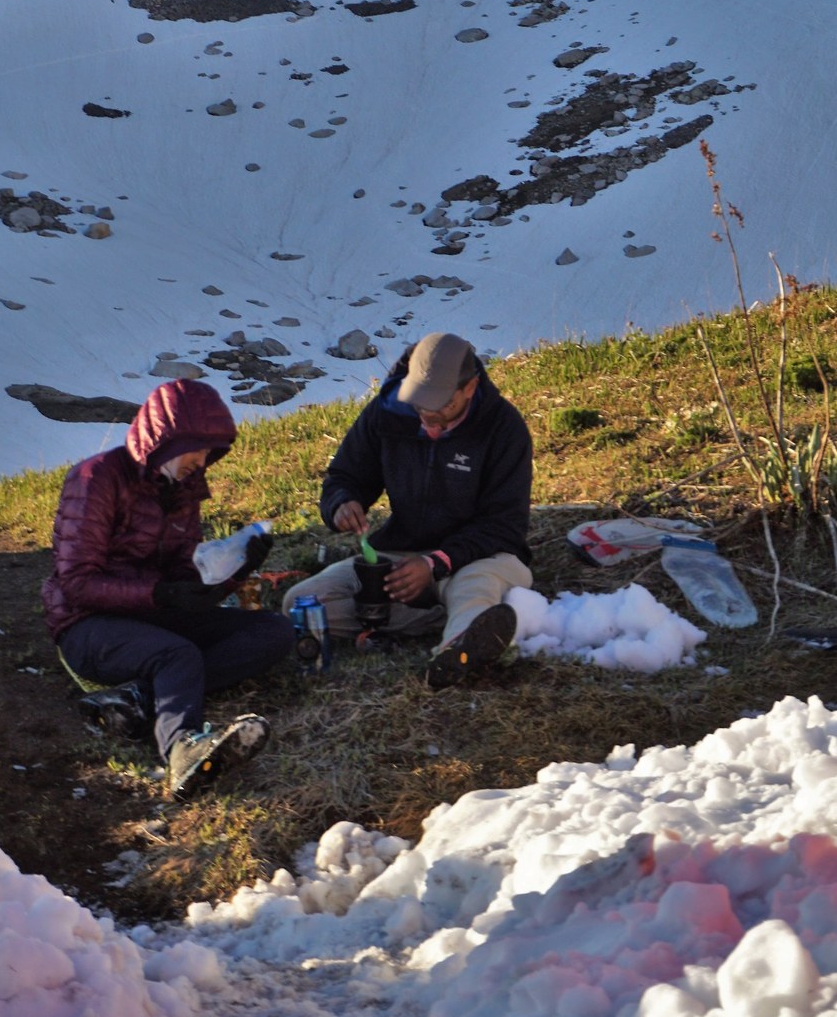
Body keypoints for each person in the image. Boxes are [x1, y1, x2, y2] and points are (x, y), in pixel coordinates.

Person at [42, 377, 294, 797]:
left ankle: (142, 697)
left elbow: (183, 576)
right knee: (177, 654)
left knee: (274, 631)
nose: (203, 459)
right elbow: (77, 583)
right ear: (165, 440)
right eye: (196, 447)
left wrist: (235, 567)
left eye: (209, 450)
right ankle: (182, 752)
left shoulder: (184, 490)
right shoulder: (96, 479)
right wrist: (160, 595)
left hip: (152, 615)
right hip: (87, 625)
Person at [288, 332, 533, 688]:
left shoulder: (504, 428)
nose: (430, 420)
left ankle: (457, 651)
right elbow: (345, 475)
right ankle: (449, 615)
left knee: (474, 585)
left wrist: (435, 563)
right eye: (421, 407)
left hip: (479, 558)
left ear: (470, 387)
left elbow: (504, 526)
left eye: (443, 408)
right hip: (402, 556)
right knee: (302, 605)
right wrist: (342, 503)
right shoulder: (388, 413)